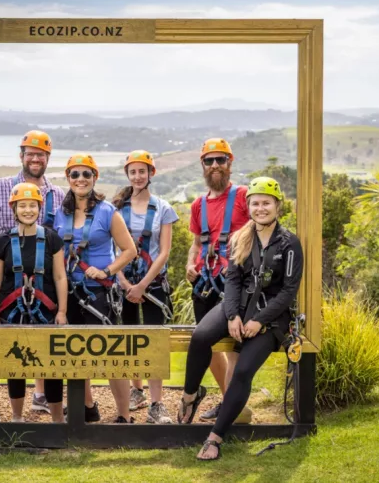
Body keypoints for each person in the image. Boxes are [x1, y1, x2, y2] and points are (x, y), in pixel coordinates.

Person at [179, 176, 304, 461]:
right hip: (237, 305)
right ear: (249, 207)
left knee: (244, 370)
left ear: (277, 206)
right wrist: (233, 314)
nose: (261, 209)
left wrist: (259, 320)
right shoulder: (241, 238)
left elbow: (287, 291)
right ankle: (189, 395)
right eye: (256, 204)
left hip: (271, 317)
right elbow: (233, 280)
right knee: (200, 337)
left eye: (266, 204)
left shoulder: (289, 244)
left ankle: (215, 437)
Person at [0, 130, 66, 420]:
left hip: (44, 282)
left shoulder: (56, 194)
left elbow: (59, 253)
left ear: (47, 158)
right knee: (10, 351)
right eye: (30, 153)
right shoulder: (2, 186)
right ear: (22, 156)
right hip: (9, 280)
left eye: (41, 154)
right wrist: (11, 249)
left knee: (45, 351)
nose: (36, 158)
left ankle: (42, 398)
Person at [54, 153, 138, 423]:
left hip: (99, 292)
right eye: (75, 175)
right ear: (68, 178)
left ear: (94, 178)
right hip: (69, 291)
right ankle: (87, 406)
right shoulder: (61, 213)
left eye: (86, 174)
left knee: (113, 357)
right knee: (74, 353)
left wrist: (107, 271)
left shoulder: (106, 212)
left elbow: (129, 250)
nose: (80, 179)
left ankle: (124, 415)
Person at [186, 138, 253, 424]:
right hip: (204, 283)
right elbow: (196, 243)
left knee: (234, 342)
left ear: (230, 162)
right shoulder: (198, 204)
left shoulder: (243, 197)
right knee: (208, 344)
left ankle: (233, 405)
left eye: (220, 160)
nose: (215, 165)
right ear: (202, 165)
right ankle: (230, 401)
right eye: (209, 161)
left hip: (233, 282)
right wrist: (190, 264)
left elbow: (260, 233)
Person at [111, 150, 179, 424]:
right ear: (128, 175)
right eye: (133, 172)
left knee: (154, 343)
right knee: (128, 340)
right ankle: (136, 390)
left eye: (142, 171)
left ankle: (156, 403)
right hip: (124, 283)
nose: (138, 176)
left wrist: (142, 285)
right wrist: (126, 283)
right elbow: (112, 248)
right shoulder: (116, 209)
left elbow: (163, 252)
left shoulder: (163, 208)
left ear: (152, 173)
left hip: (154, 284)